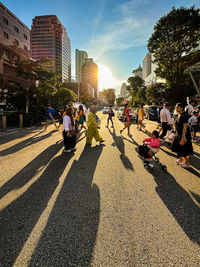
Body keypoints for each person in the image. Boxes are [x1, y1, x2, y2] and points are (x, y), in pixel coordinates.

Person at [172, 103, 193, 168]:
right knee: (178, 148)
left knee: (185, 149)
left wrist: (183, 137)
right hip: (179, 134)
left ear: (182, 108)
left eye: (177, 107)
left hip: (184, 134)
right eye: (176, 107)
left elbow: (185, 127)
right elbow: (176, 125)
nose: (176, 108)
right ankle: (181, 159)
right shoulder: (178, 114)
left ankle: (187, 163)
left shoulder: (184, 115)